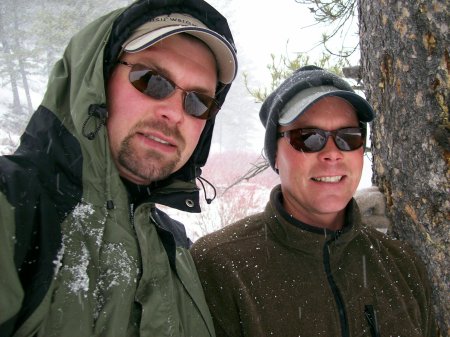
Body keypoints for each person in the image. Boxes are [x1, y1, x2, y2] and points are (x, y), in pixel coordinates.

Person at [0, 0, 237, 336]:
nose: (175, 112)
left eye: (199, 101)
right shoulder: (15, 208)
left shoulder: (177, 250)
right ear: (98, 77)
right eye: (152, 80)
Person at [191, 66, 438, 337]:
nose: (332, 154)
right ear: (275, 155)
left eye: (348, 137)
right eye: (308, 138)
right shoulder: (219, 265)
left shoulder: (400, 265)